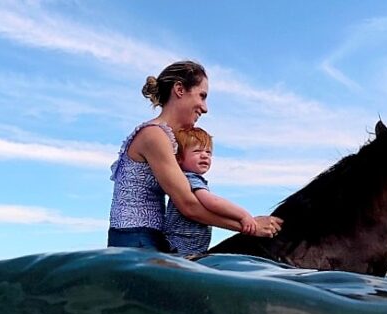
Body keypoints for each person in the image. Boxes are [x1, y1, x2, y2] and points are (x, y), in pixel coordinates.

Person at [107, 60, 281, 251]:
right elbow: (188, 205)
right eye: (202, 96)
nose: (205, 108)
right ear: (180, 90)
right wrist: (250, 226)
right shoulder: (154, 135)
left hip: (147, 238)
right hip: (136, 239)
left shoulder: (165, 137)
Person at [164, 127, 256, 255]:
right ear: (179, 159)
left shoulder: (187, 179)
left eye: (208, 152)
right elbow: (213, 203)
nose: (204, 155)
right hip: (182, 250)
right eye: (197, 151)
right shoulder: (190, 178)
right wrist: (243, 215)